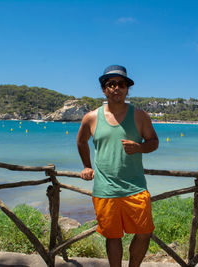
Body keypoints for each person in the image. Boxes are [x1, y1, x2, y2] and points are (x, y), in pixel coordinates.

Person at [77, 65, 159, 267]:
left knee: (145, 232)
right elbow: (81, 141)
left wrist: (139, 147)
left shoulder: (140, 116)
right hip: (105, 189)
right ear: (104, 89)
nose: (116, 88)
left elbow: (154, 142)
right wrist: (87, 166)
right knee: (113, 237)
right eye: (110, 84)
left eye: (121, 84)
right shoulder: (91, 117)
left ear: (127, 89)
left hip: (135, 187)